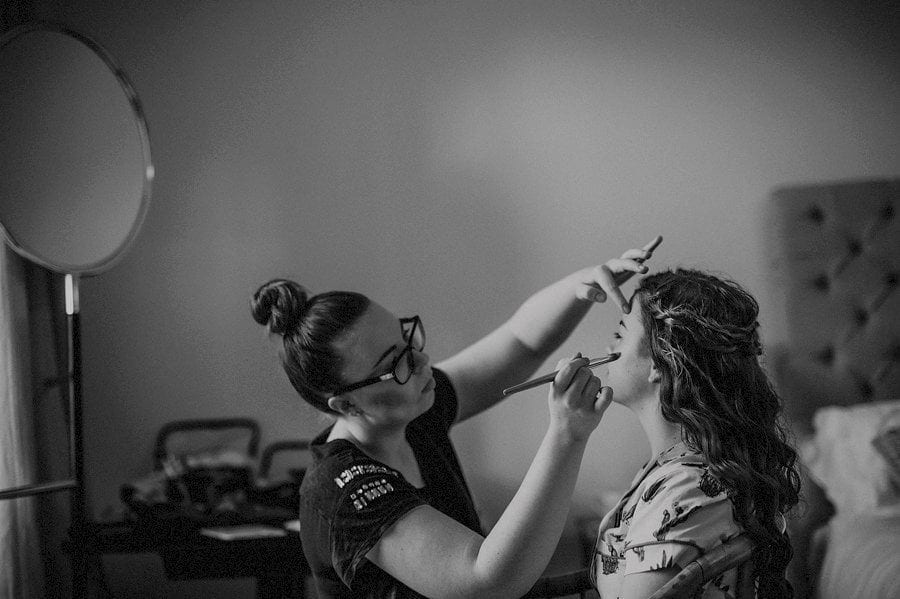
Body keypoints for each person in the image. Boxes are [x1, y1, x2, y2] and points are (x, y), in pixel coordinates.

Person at [249, 238, 660, 599]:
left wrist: (581, 285)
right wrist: (566, 435)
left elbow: (521, 341)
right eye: (395, 364)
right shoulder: (341, 487)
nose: (422, 360)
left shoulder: (412, 409)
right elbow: (487, 582)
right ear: (346, 405)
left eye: (407, 338)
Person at [589, 268, 801, 599]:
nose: (607, 346)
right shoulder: (672, 471)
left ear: (659, 363)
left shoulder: (686, 492)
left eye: (619, 334)